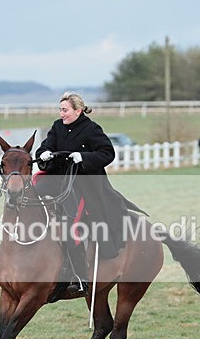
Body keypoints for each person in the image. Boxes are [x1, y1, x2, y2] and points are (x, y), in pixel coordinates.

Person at [34, 92, 145, 294]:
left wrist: (83, 157)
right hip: (58, 178)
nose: (61, 114)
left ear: (78, 110)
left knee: (71, 220)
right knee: (31, 193)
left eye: (65, 110)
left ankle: (80, 276)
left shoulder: (91, 129)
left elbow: (107, 153)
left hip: (83, 183)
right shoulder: (57, 126)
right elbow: (46, 145)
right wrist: (44, 153)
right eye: (60, 110)